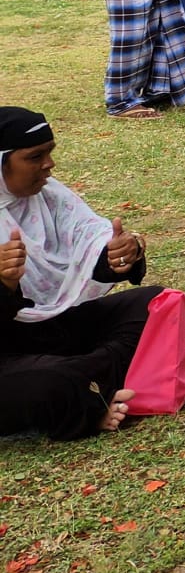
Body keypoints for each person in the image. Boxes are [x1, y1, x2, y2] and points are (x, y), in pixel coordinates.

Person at [0, 108, 156, 439]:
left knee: (156, 304)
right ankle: (90, 389)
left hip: (55, 332)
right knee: (49, 382)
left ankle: (89, 381)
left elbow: (91, 242)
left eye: (50, 153)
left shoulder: (49, 196)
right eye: (35, 157)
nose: (49, 165)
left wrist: (120, 254)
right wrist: (3, 285)